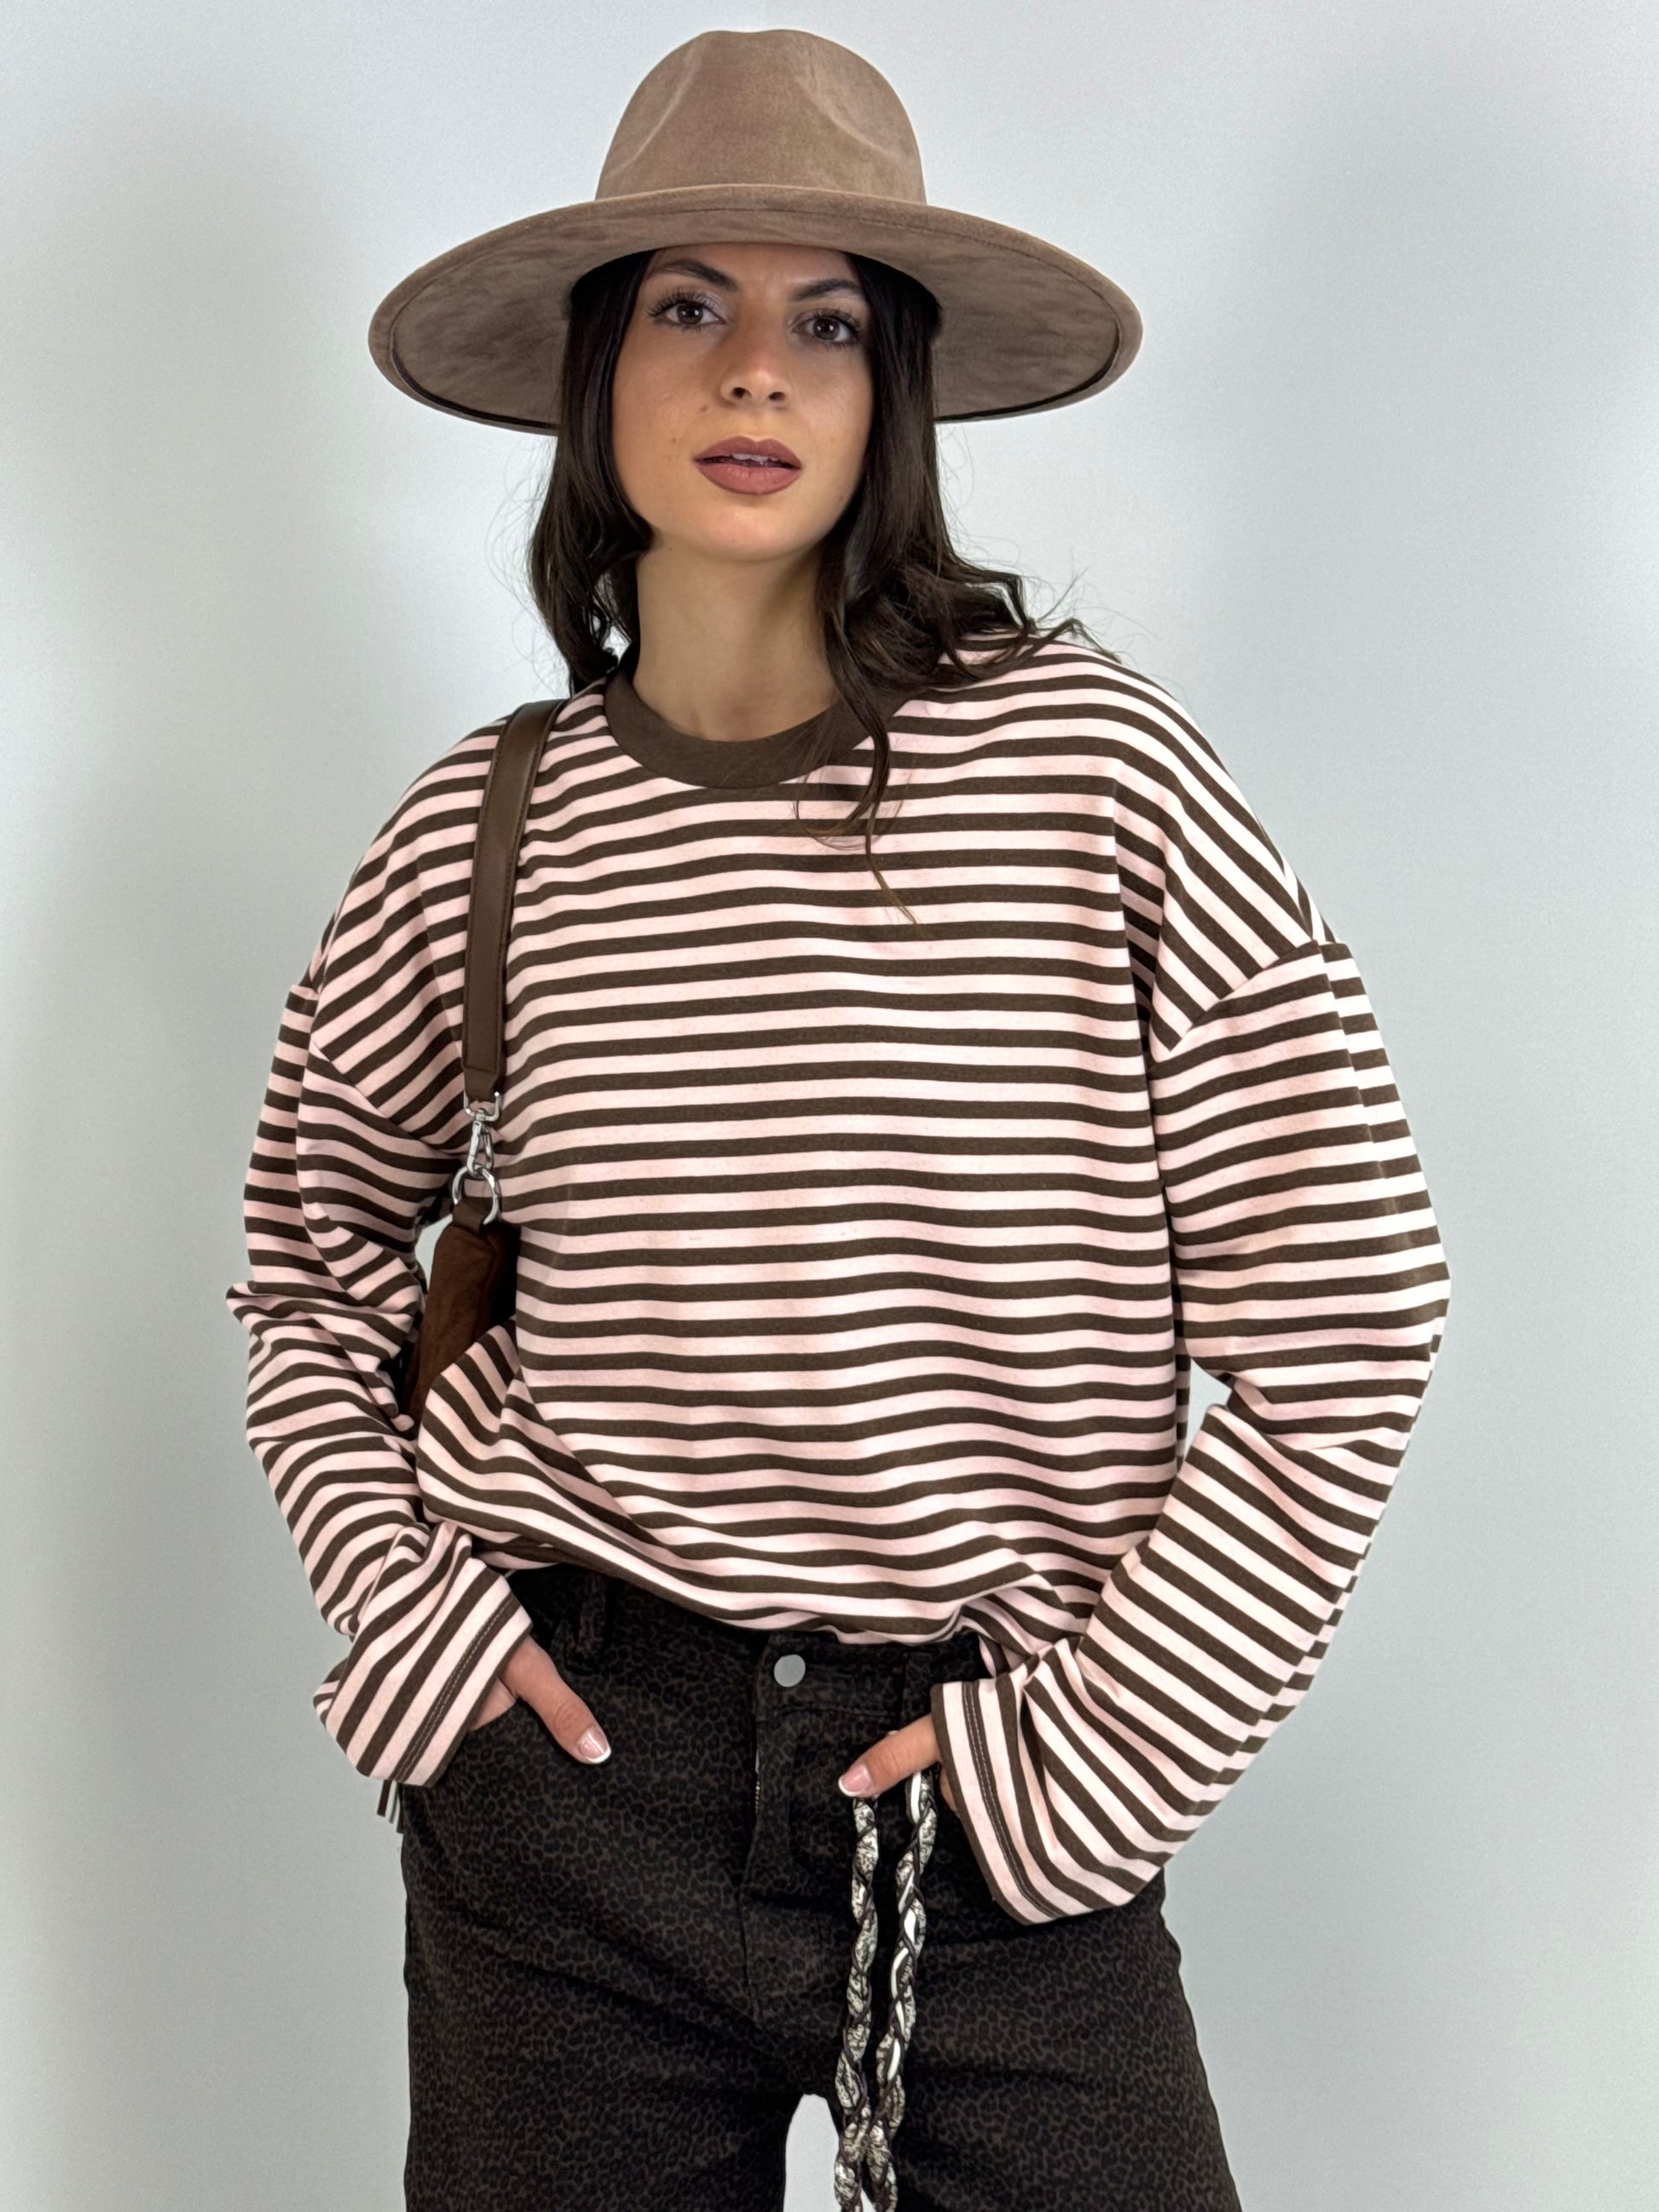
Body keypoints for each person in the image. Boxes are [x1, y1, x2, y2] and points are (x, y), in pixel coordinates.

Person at [226, 28, 1448, 2212]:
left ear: (896, 394)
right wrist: (410, 1612)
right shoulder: (481, 830)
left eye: (827, 324)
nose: (752, 373)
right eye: (686, 306)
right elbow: (305, 1265)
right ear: (599, 374)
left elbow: (1348, 1309)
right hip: (571, 1801)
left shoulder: (1093, 771)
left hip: (996, 1789)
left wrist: (1092, 1756)